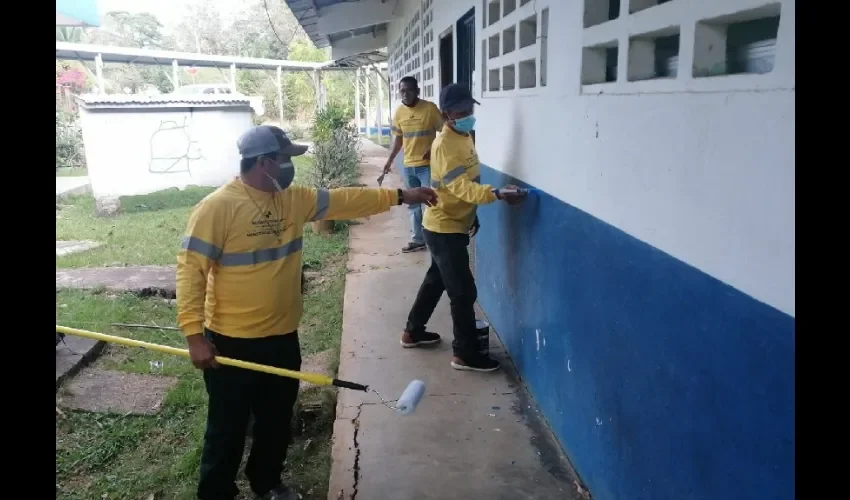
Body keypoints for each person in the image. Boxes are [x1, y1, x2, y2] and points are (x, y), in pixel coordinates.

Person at [176, 125, 437, 500]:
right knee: (227, 426)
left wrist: (401, 194)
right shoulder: (217, 207)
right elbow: (190, 271)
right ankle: (216, 492)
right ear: (265, 162)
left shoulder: (292, 199)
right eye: (284, 159)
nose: (289, 166)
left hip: (282, 335)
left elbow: (347, 200)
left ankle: (266, 483)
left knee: (276, 419)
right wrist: (194, 336)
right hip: (231, 341)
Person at [401, 84, 526, 370]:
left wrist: (473, 215)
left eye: (470, 109)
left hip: (455, 223)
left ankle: (413, 331)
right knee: (463, 292)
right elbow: (459, 187)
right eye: (462, 111)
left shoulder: (465, 136)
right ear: (447, 114)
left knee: (437, 280)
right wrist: (494, 195)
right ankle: (464, 353)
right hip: (443, 227)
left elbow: (465, 182)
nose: (468, 114)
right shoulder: (444, 145)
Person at [382, 76, 443, 253]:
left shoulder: (430, 109)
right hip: (409, 166)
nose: (405, 94)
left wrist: (433, 149)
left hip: (427, 166)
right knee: (413, 205)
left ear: (417, 91)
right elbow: (399, 140)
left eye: (409, 90)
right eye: (402, 90)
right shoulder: (399, 113)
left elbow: (445, 132)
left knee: (430, 202)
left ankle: (435, 237)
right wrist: (389, 160)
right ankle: (418, 240)